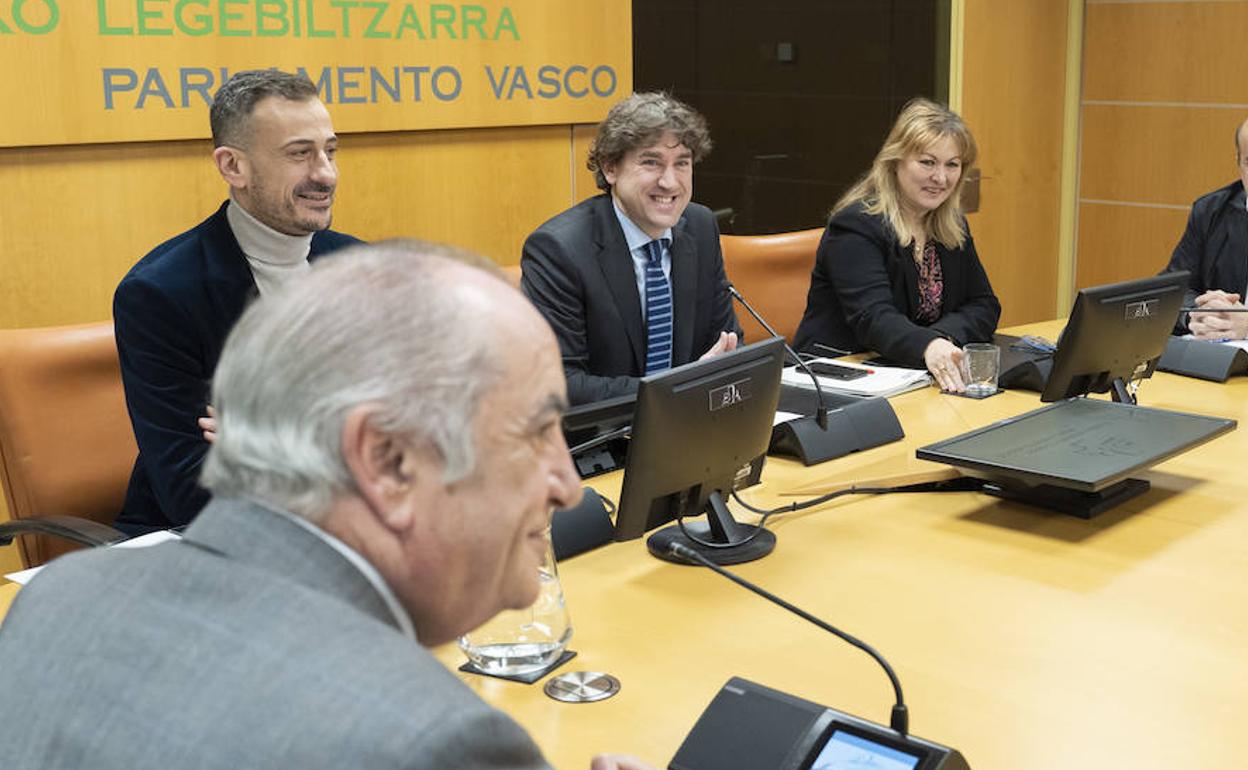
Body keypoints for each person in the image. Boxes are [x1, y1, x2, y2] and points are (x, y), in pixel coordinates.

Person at [0, 243, 654, 770]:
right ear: (388, 463)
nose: (568, 484)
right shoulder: (437, 742)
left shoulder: (55, 598)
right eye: (536, 432)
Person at [113, 69, 360, 535]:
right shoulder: (161, 294)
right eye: (299, 154)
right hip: (208, 544)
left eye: (330, 150)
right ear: (232, 167)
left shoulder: (359, 266)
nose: (325, 174)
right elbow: (192, 490)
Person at [521, 92, 742, 405]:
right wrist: (678, 390)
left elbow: (728, 342)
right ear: (611, 168)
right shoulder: (560, 249)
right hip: (601, 441)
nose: (670, 182)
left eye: (682, 163)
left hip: (689, 430)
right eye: (651, 163)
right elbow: (561, 382)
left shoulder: (700, 226)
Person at [792, 98, 1000, 393]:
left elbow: (984, 304)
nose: (940, 178)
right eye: (927, 162)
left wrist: (940, 340)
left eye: (952, 165)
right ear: (895, 161)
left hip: (913, 375)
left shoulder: (951, 225)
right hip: (840, 377)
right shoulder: (856, 225)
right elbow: (874, 318)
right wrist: (929, 345)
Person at [1163, 115, 1248, 340]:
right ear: (1239, 163)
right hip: (1221, 357)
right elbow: (1173, 289)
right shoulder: (1211, 212)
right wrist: (1199, 314)